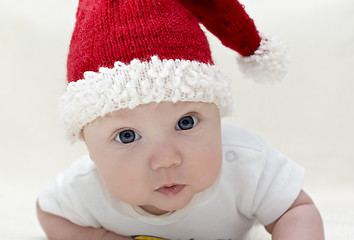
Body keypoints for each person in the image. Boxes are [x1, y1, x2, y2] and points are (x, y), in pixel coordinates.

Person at [36, 0, 325, 239]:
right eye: (127, 135)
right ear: (87, 145)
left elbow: (295, 209)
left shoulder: (244, 164)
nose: (166, 160)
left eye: (186, 122)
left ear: (217, 114)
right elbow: (49, 212)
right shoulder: (87, 187)